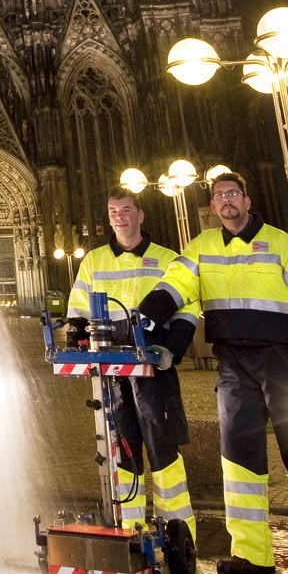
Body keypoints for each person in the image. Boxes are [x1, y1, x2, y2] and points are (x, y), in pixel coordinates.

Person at [139, 171, 288, 574]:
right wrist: (148, 312)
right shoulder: (203, 246)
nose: (226, 201)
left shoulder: (285, 244)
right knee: (238, 458)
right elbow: (176, 282)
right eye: (219, 196)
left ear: (246, 201)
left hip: (285, 362)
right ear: (213, 207)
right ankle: (251, 554)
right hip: (233, 362)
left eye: (233, 194)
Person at [65, 187, 199, 547]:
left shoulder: (168, 259)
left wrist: (171, 349)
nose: (119, 218)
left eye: (126, 210)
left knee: (164, 450)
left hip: (155, 371)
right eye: (112, 212)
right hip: (111, 374)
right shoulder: (93, 262)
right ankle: (131, 529)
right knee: (123, 451)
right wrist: (73, 343)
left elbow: (187, 309)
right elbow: (78, 308)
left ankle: (178, 536)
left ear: (140, 215)